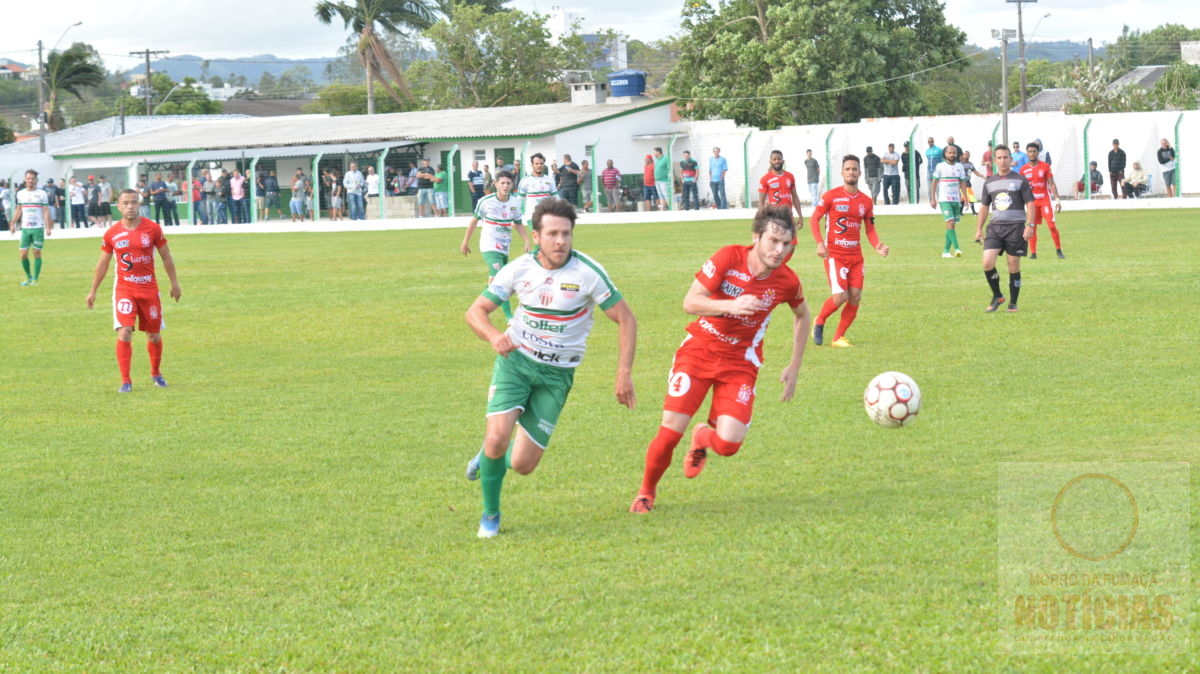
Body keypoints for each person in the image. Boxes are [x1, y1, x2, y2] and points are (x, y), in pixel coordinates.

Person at [464, 197, 637, 537]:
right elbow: (475, 312)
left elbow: (627, 320)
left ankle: (488, 455)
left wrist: (623, 373)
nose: (561, 241)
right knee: (498, 438)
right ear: (536, 236)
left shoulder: (588, 273)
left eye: (567, 234)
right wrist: (494, 336)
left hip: (557, 376)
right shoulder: (518, 268)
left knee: (523, 465)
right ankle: (491, 515)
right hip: (516, 362)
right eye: (553, 234)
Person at [628, 204, 809, 514]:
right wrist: (731, 305)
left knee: (729, 444)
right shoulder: (728, 257)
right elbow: (690, 302)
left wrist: (794, 365)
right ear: (756, 237)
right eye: (773, 241)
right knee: (670, 430)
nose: (779, 250)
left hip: (740, 363)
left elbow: (802, 316)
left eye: (786, 243)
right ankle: (646, 493)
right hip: (699, 351)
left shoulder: (787, 281)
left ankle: (703, 436)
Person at [86, 188, 182, 393]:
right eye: (126, 203)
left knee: (154, 335)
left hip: (149, 290)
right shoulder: (112, 233)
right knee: (125, 332)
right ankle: (126, 381)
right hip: (125, 290)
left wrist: (175, 283)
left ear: (139, 205)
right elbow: (103, 264)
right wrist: (93, 290)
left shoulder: (153, 229)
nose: (130, 207)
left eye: (134, 203)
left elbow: (166, 256)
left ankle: (156, 373)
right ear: (118, 206)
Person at [810, 155, 889, 347]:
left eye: (854, 169)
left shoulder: (866, 201)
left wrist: (877, 245)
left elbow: (869, 228)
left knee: (855, 296)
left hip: (856, 257)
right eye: (847, 169)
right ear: (842, 173)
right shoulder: (830, 196)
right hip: (834, 256)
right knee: (840, 297)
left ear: (860, 173)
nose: (851, 172)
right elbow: (814, 219)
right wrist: (820, 244)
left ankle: (838, 337)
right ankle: (819, 320)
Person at [974, 146, 1036, 313]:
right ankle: (998, 296)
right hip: (995, 228)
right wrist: (979, 229)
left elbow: (1030, 203)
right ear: (995, 160)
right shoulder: (989, 182)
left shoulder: (1020, 180)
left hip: (1016, 228)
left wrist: (1030, 225)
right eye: (999, 158)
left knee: (1013, 266)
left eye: (1005, 157)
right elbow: (985, 206)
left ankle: (1013, 303)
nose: (1002, 160)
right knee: (987, 263)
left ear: (1011, 159)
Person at [460, 169, 529, 319]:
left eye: (508, 183)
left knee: (493, 283)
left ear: (512, 185)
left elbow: (518, 223)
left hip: (504, 247)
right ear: (496, 184)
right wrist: (465, 242)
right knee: (500, 279)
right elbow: (474, 221)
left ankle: (477, 308)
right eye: (502, 183)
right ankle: (510, 317)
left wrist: (526, 240)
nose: (505, 186)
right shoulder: (485, 201)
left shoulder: (515, 202)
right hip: (489, 246)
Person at [1020, 142, 1064, 260]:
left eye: (1034, 151)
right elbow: (1021, 188)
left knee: (1051, 226)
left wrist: (1058, 200)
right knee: (1032, 228)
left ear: (1038, 152)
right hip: (1032, 203)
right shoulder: (1023, 170)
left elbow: (1052, 183)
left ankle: (1058, 250)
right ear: (1027, 153)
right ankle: (1033, 253)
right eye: (1030, 151)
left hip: (1045, 200)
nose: (1032, 153)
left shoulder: (1045, 166)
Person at [12, 169, 52, 286]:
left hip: (38, 228)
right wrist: (13, 223)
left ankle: (35, 279)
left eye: (32, 178)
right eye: (28, 178)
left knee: (36, 252)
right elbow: (19, 209)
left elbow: (45, 210)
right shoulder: (20, 193)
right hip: (25, 228)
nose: (30, 180)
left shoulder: (42, 194)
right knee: (23, 254)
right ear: (25, 180)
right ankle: (28, 277)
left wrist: (48, 226)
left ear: (36, 180)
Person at [930, 144, 968, 258]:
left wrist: (965, 198)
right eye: (949, 152)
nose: (952, 154)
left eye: (954, 152)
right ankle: (957, 248)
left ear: (956, 154)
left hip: (955, 199)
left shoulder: (960, 167)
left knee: (951, 226)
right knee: (950, 222)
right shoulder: (940, 166)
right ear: (945, 154)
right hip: (944, 199)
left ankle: (946, 251)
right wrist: (933, 198)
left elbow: (962, 183)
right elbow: (934, 182)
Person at [757, 149, 803, 222]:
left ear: (783, 161)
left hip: (788, 216)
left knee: (791, 234)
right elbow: (761, 202)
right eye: (774, 159)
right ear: (770, 162)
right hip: (773, 217)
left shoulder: (790, 176)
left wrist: (800, 215)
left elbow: (795, 197)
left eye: (779, 159)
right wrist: (761, 219)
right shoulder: (765, 179)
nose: (777, 161)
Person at [517, 152, 557, 220]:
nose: (539, 165)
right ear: (532, 165)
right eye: (536, 164)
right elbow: (519, 200)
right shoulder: (525, 181)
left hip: (547, 216)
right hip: (532, 217)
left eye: (541, 163)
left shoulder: (550, 180)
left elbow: (556, 198)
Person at [960, 150, 985, 215]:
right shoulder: (960, 164)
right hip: (961, 183)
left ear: (969, 156)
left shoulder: (971, 164)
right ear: (963, 155)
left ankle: (973, 212)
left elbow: (975, 172)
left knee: (970, 197)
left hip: (968, 182)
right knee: (962, 197)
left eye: (967, 154)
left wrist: (982, 176)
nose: (966, 156)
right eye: (965, 154)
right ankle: (960, 212)